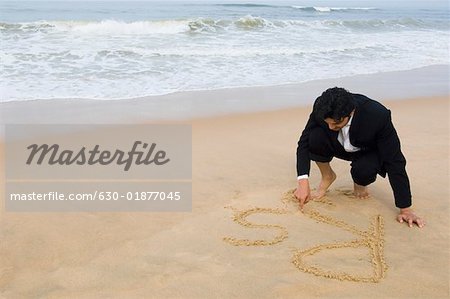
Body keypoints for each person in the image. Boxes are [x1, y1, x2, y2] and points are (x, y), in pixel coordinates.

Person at [294, 87, 425, 228]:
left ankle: (360, 184)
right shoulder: (322, 107)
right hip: (340, 144)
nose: (331, 127)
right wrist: (302, 181)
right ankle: (328, 176)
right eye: (328, 123)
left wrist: (405, 208)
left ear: (350, 113)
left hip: (367, 150)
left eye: (336, 123)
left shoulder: (377, 115)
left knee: (363, 170)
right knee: (315, 137)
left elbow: (394, 160)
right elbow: (304, 142)